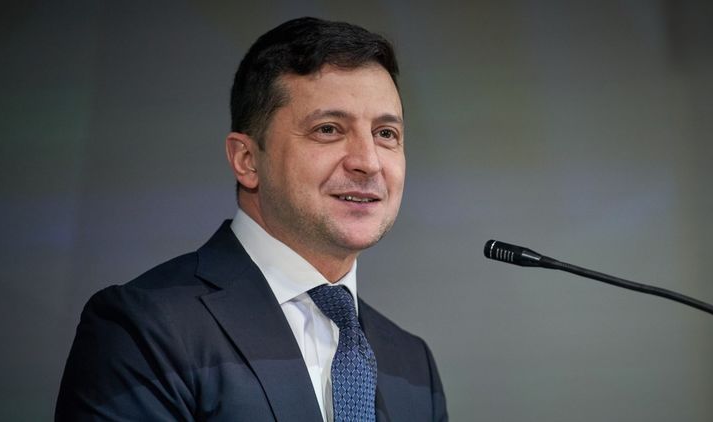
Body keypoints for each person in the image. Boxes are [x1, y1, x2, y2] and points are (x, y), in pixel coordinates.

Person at [56, 17, 447, 422]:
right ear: (246, 160)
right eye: (328, 129)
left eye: (386, 134)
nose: (368, 161)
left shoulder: (413, 366)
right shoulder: (144, 328)